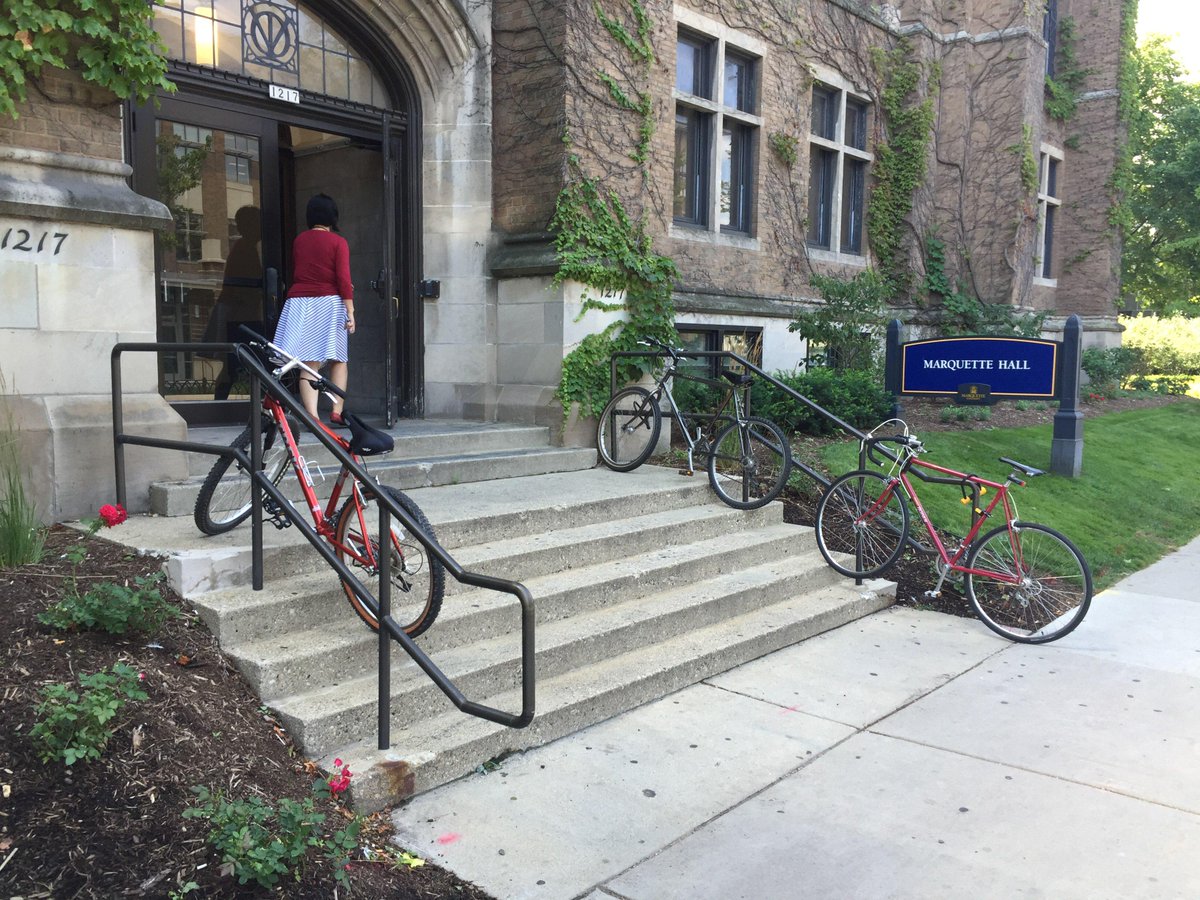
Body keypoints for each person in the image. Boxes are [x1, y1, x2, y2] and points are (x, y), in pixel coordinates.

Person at [273, 193, 355, 422]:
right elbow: (342, 278)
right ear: (333, 216)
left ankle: (311, 415)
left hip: (299, 302)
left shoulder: (300, 240)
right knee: (339, 359)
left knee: (308, 362)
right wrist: (350, 310)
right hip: (329, 302)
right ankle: (336, 411)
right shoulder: (338, 242)